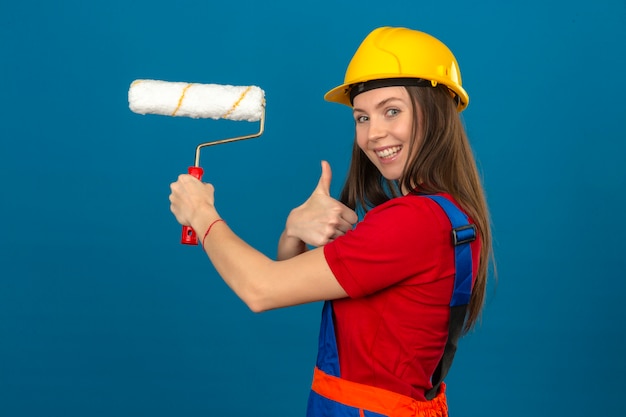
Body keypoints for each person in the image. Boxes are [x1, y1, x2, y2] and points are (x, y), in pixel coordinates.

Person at [169, 26, 493, 417]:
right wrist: (294, 229)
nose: (374, 133)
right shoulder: (450, 215)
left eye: (392, 111)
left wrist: (201, 213)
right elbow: (290, 278)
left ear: (436, 112)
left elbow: (261, 289)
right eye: (361, 117)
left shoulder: (411, 222)